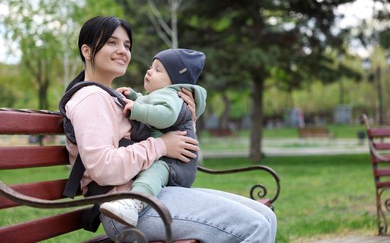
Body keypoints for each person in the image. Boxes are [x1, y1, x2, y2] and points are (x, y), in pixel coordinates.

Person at [61, 15, 277, 242]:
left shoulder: (113, 96)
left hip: (151, 194)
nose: (123, 50)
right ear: (87, 51)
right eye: (112, 43)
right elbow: (104, 168)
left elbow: (162, 135)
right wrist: (162, 145)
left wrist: (186, 117)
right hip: (125, 209)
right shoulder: (90, 98)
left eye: (127, 45)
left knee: (265, 217)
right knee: (255, 226)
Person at [100, 48, 207, 227]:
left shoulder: (173, 96)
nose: (149, 71)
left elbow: (165, 115)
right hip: (173, 156)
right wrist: (135, 97)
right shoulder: (163, 95)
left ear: (174, 81)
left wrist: (137, 109)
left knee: (154, 172)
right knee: (154, 170)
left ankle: (135, 204)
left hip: (177, 163)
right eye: (151, 67)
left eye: (158, 70)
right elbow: (153, 104)